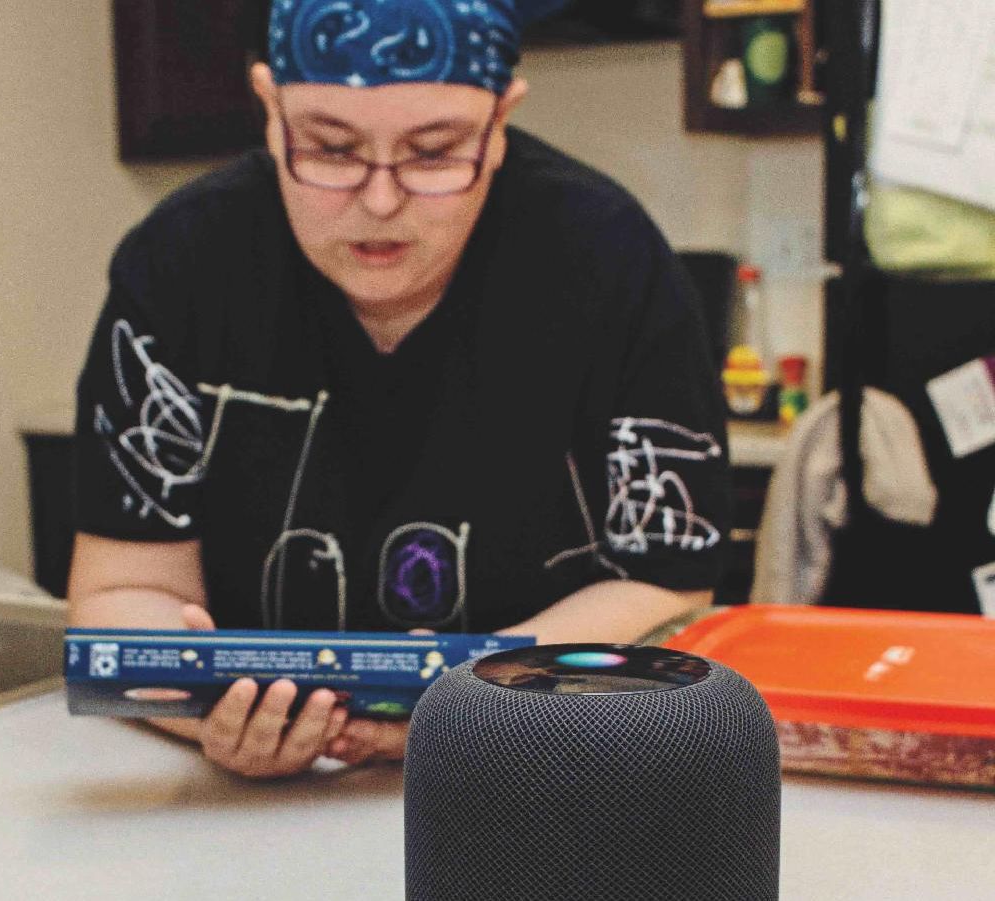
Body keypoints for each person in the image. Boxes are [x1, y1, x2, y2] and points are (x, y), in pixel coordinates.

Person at [67, 0, 731, 779]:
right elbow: (123, 589)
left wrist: (481, 704)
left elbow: (671, 588)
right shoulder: (180, 266)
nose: (380, 201)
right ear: (269, 106)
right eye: (330, 147)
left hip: (543, 787)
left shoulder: (610, 263)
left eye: (435, 152)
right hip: (245, 812)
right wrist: (209, 716)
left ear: (501, 119)